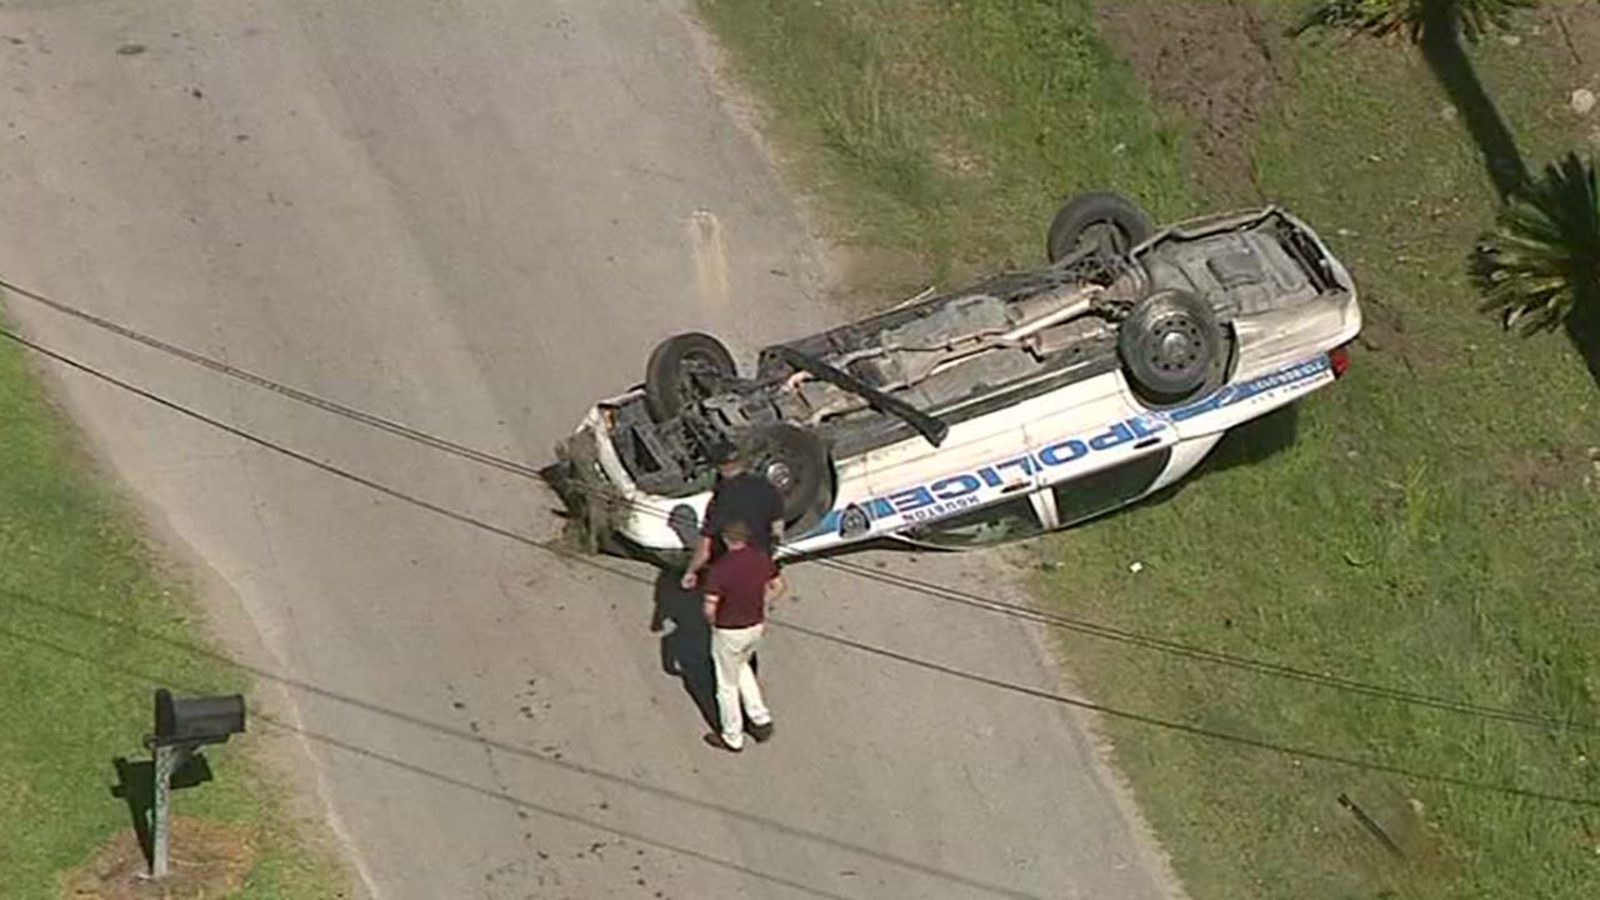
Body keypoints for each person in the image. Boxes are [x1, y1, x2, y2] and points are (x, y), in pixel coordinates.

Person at [700, 519, 786, 752]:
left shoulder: (720, 569)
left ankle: (732, 736)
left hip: (729, 630)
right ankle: (760, 718)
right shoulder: (760, 559)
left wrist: (713, 623)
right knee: (742, 668)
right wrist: (760, 603)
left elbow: (710, 608)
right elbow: (778, 586)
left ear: (726, 539)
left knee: (726, 685)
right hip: (755, 626)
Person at [680, 439, 784, 591]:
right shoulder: (767, 486)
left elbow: (705, 547)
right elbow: (778, 529)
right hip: (761, 561)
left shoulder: (721, 498)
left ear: (719, 467)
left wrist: (691, 571)